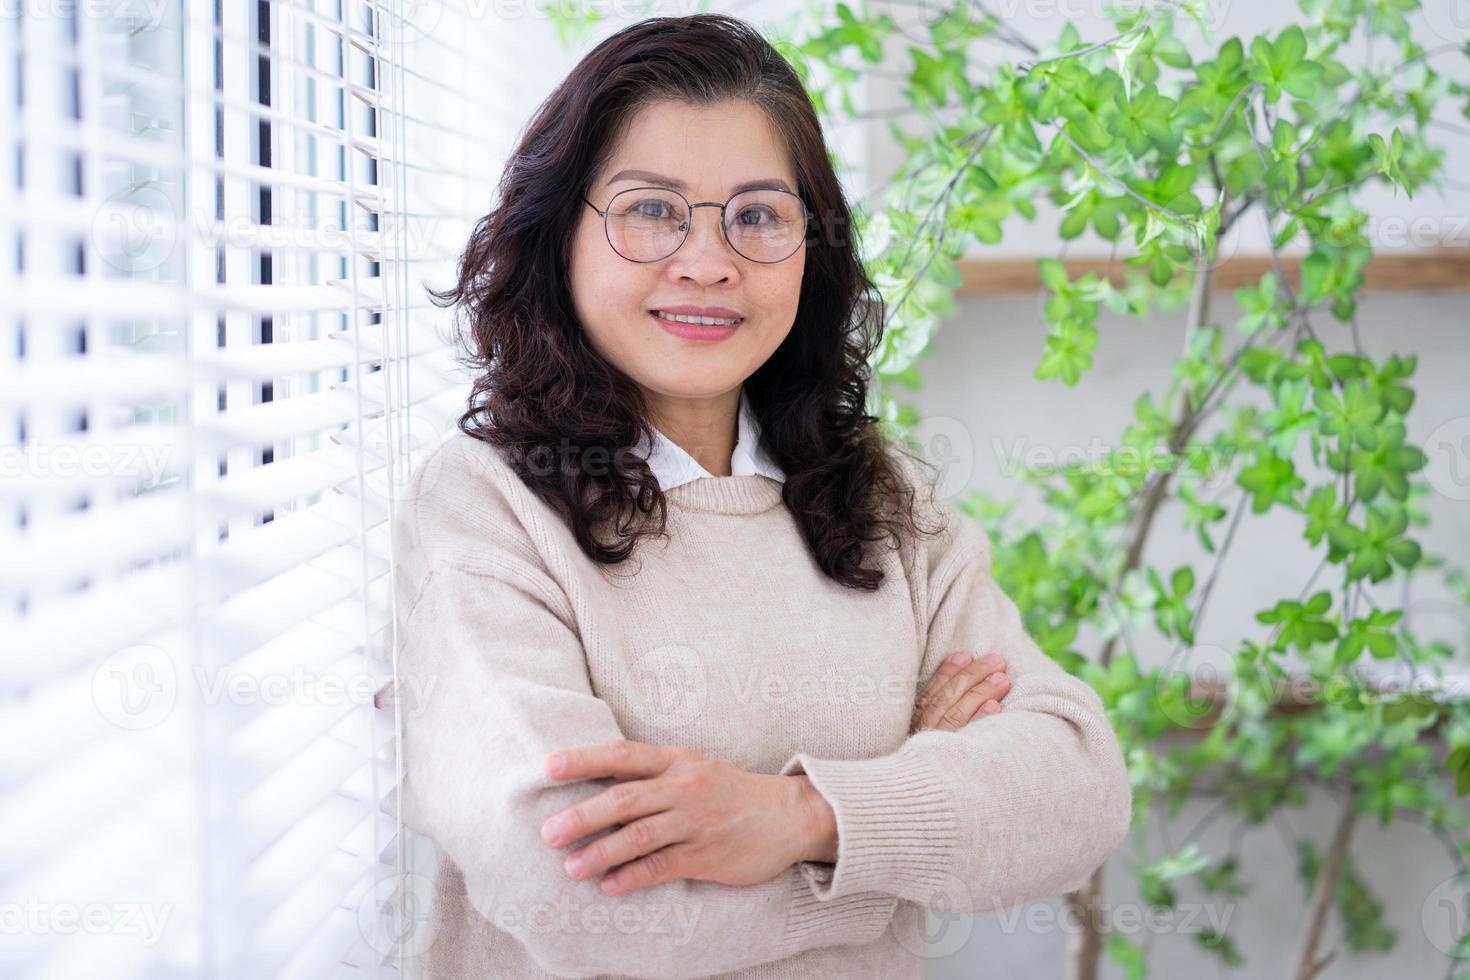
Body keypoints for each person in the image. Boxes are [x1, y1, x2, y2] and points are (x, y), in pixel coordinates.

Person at [394, 13, 1133, 979]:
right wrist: (901, 829)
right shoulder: (486, 506)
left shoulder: (882, 496)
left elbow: (1079, 789)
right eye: (651, 208)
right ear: (556, 233)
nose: (707, 261)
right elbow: (581, 896)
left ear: (810, 247)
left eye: (757, 215)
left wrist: (802, 816)